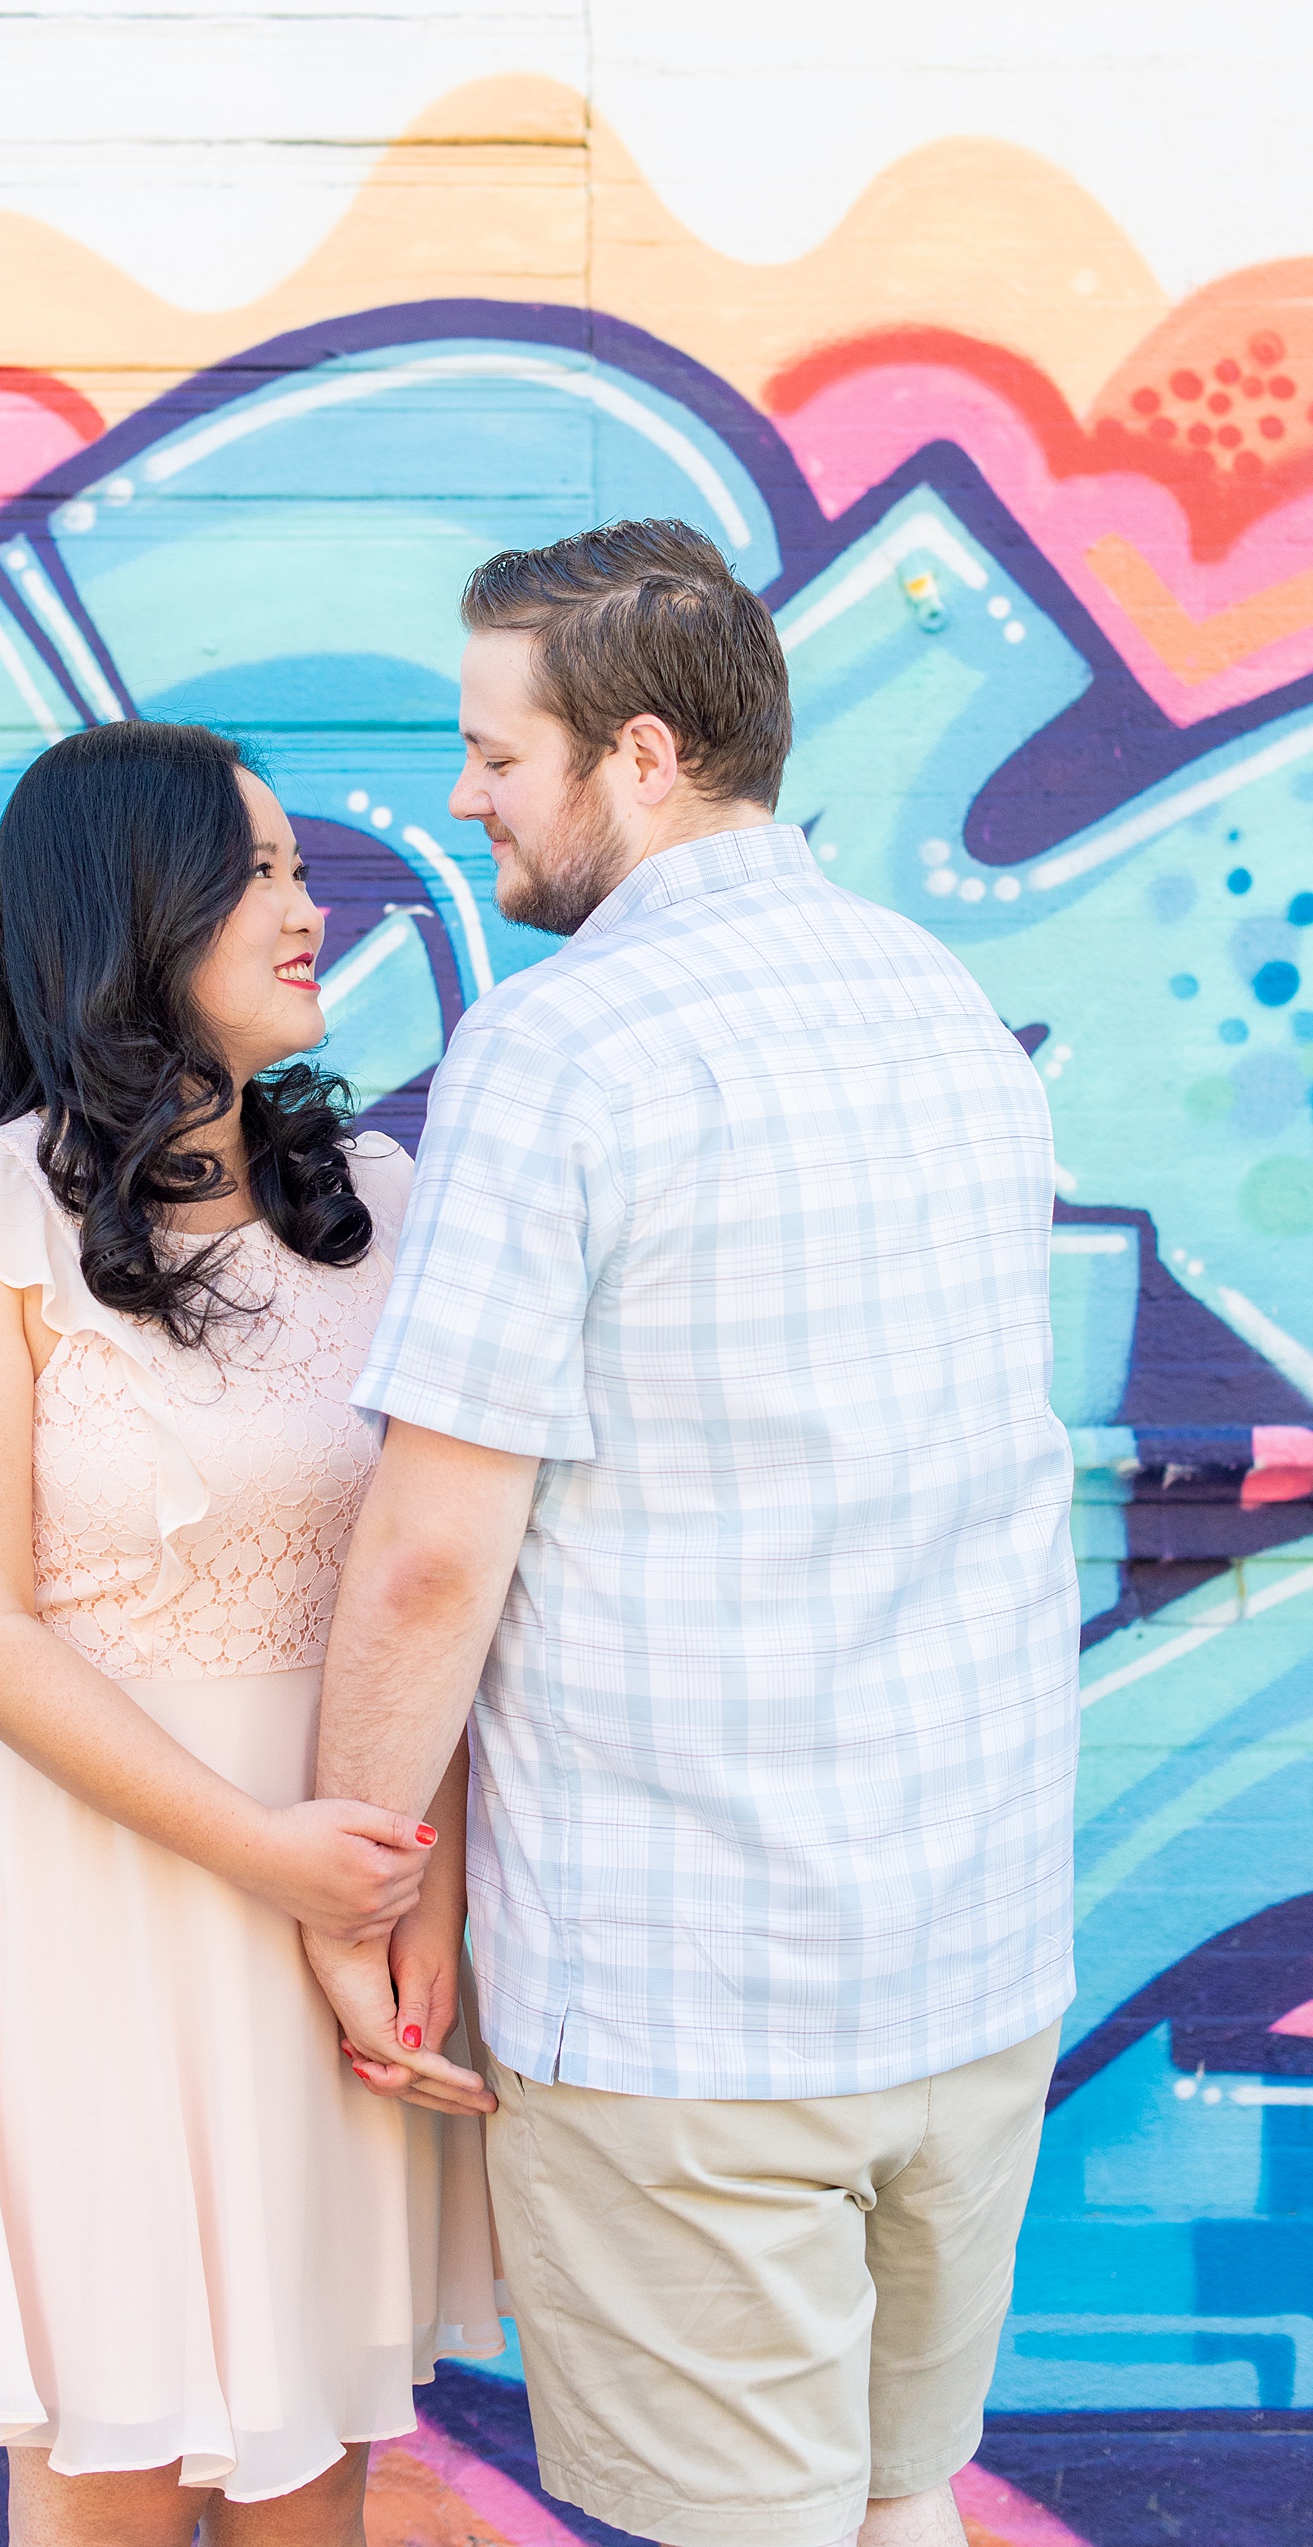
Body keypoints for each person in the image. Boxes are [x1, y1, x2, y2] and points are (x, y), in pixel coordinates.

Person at [302, 520, 1080, 2547]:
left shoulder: (561, 1049)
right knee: (899, 2500)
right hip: (969, 1955)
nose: (460, 794)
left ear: (638, 754)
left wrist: (353, 1876)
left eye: (494, 749)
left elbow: (430, 1552)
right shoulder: (938, 1002)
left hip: (690, 1995)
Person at [0, 721, 501, 2547]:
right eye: (266, 872)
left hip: (353, 1896)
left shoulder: (377, 1205)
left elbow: (444, 1574)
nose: (314, 909)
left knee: (316, 2459)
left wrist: (404, 1905)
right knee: (109, 2465)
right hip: (104, 1901)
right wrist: (275, 1862)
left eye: (305, 870)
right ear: (139, 911)